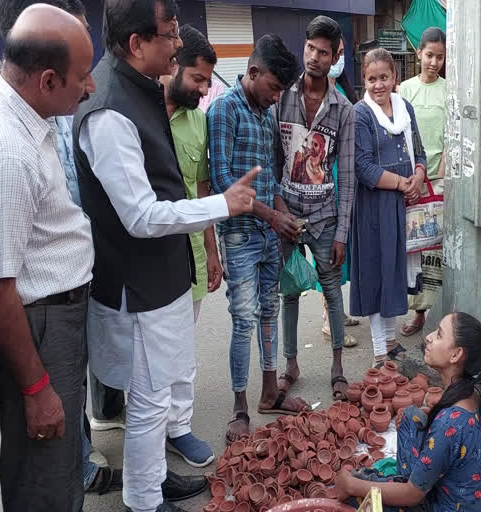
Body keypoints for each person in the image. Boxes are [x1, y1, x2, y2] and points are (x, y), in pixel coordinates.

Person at [74, 0, 262, 510]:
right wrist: (219, 206)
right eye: (169, 34)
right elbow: (139, 215)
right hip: (136, 288)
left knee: (160, 393)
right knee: (149, 400)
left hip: (163, 279)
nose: (179, 44)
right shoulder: (110, 111)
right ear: (136, 43)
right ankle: (143, 499)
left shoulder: (141, 92)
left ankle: (152, 478)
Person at [0, 5, 95, 511]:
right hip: (39, 327)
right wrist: (37, 388)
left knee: (58, 464)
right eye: (82, 77)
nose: (91, 88)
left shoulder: (28, 114)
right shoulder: (9, 152)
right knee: (46, 479)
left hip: (53, 321)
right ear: (48, 79)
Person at [208, 34, 308, 444]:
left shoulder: (266, 114)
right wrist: (271, 216)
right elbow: (222, 182)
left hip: (268, 235)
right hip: (240, 237)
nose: (275, 97)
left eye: (281, 90)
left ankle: (270, 393)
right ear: (252, 73)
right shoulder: (223, 111)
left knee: (268, 312)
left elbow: (270, 176)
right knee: (243, 317)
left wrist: (282, 214)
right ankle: (239, 408)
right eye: (272, 88)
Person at [334, 312, 481, 512]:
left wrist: (352, 486)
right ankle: (405, 480)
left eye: (439, 335)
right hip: (464, 497)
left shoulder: (450, 423)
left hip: (446, 506)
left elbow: (412, 495)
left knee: (359, 493)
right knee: (410, 417)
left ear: (456, 354)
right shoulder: (473, 395)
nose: (429, 337)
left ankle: (400, 482)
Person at [273, 16, 355, 403]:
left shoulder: (344, 109)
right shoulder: (282, 96)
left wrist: (342, 233)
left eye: (324, 52)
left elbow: (349, 177)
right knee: (289, 291)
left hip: (325, 217)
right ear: (303, 47)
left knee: (332, 291)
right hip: (286, 215)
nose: (315, 58)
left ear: (336, 56)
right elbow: (274, 157)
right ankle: (291, 364)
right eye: (310, 49)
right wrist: (276, 211)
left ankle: (338, 366)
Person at [157, 24, 221, 469]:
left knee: (181, 349)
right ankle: (146, 423)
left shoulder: (199, 121)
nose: (203, 90)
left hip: (191, 255)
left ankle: (178, 427)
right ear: (174, 66)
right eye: (198, 79)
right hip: (146, 255)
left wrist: (212, 252)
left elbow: (201, 189)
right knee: (146, 353)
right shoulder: (138, 112)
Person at [351, 48, 427, 367]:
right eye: (371, 78)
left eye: (384, 77)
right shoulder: (361, 114)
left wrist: (419, 176)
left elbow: (419, 152)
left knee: (394, 270)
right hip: (374, 208)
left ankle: (392, 340)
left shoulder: (405, 107)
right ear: (363, 80)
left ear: (395, 78)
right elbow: (364, 167)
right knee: (375, 273)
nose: (378, 85)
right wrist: (402, 183)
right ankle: (380, 350)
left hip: (402, 207)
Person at [399, 27, 447, 337]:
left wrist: (440, 174)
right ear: (418, 53)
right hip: (410, 179)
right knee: (414, 249)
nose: (434, 62)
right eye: (429, 55)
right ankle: (418, 312)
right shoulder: (404, 89)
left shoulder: (449, 90)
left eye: (440, 57)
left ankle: (439, 310)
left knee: (438, 250)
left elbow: (453, 136)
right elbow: (398, 134)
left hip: (441, 179)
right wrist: (412, 177)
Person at [315, 34, 359, 349]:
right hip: (325, 184)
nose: (339, 58)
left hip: (345, 180)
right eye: (335, 52)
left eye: (342, 52)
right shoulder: (313, 94)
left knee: (341, 254)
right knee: (328, 253)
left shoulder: (342, 89)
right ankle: (329, 321)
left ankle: (337, 311)